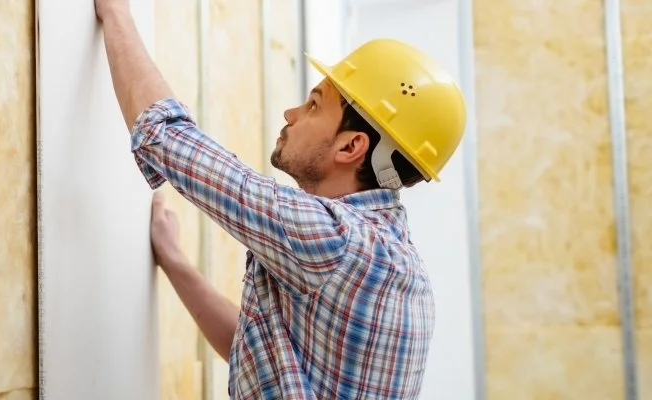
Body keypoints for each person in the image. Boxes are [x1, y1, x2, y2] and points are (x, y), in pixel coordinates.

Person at [94, 0, 467, 398]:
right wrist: (175, 261)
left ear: (350, 146)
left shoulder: (335, 240)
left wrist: (116, 13)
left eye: (314, 105)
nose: (291, 113)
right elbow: (259, 354)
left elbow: (165, 138)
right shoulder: (397, 263)